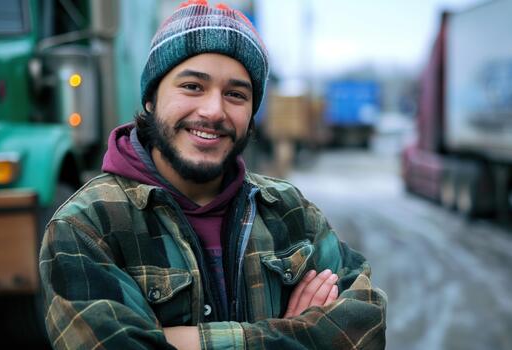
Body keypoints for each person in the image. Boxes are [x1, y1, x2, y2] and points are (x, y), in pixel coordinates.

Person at [39, 1, 387, 349]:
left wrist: (181, 341)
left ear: (252, 115)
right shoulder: (88, 225)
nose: (213, 111)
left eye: (235, 94)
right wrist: (295, 333)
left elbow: (366, 324)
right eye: (192, 86)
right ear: (151, 99)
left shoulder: (291, 212)